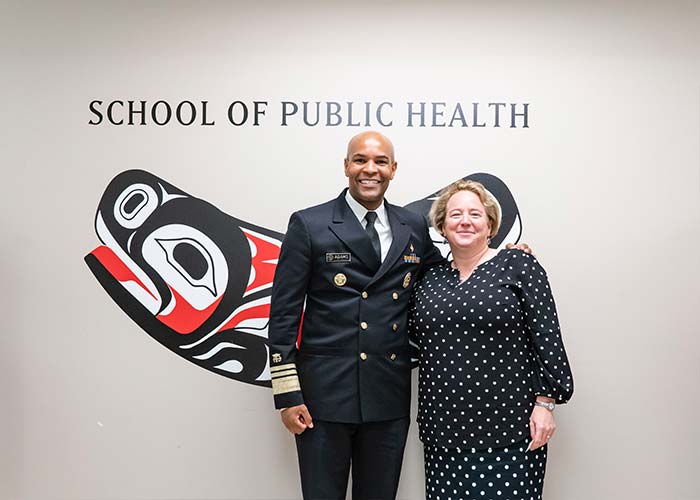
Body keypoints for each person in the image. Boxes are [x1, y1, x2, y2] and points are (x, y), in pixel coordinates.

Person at [268, 131, 445, 500]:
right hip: (322, 396)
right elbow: (284, 314)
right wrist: (288, 395)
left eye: (380, 162)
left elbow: (444, 279)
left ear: (393, 169)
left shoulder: (411, 226)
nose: (370, 169)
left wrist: (499, 259)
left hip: (387, 393)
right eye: (360, 160)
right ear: (346, 166)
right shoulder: (310, 224)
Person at [409, 180, 574, 500]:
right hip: (443, 432)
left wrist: (545, 404)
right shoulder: (429, 279)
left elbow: (547, 338)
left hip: (509, 430)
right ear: (442, 226)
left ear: (491, 225)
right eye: (455, 214)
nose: (465, 221)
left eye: (475, 213)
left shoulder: (519, 266)